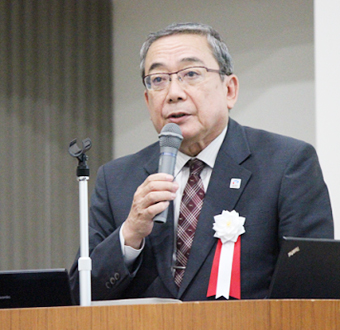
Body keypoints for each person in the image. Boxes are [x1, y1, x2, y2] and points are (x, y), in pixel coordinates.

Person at [69, 22, 333, 303]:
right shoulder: (117, 179)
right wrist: (130, 234)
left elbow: (313, 292)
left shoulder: (287, 165)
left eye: (191, 74)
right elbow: (81, 296)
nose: (173, 93)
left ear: (229, 90)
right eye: (158, 80)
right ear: (148, 101)